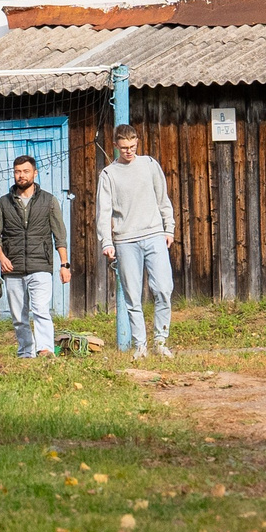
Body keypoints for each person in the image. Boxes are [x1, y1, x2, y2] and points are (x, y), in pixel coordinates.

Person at [96, 125, 175, 358]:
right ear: (115, 146)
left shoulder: (149, 165)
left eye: (132, 147)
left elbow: (163, 198)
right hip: (126, 240)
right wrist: (106, 242)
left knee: (163, 288)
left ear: (137, 143)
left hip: (154, 235)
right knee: (132, 295)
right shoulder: (109, 174)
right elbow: (104, 212)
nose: (129, 151)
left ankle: (160, 341)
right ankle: (140, 345)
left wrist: (168, 227)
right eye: (124, 148)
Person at [0, 153, 69, 358]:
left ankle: (45, 350)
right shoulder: (4, 203)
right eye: (17, 172)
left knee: (41, 309)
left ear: (35, 173)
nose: (21, 175)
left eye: (25, 171)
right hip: (12, 267)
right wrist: (1, 256)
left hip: (40, 265)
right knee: (18, 317)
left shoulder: (49, 201)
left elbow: (59, 235)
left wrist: (64, 264)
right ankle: (26, 352)